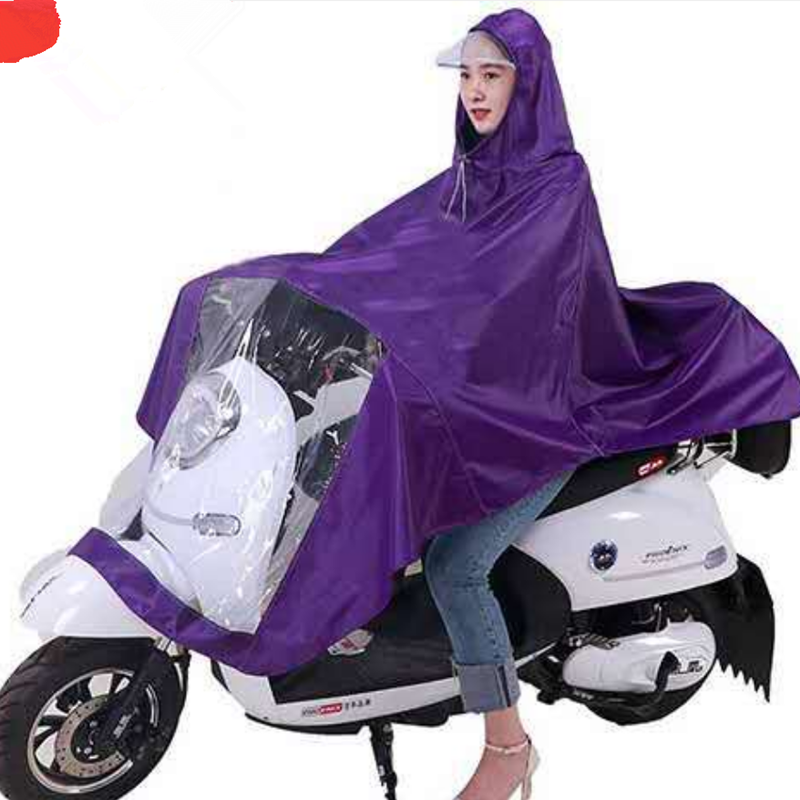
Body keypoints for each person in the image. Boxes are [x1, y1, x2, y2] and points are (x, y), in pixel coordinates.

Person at [424, 28, 577, 800]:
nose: (475, 90)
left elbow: (529, 314)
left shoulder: (556, 183)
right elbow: (418, 275)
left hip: (545, 422)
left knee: (455, 566)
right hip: (478, 414)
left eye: (494, 75)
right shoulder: (468, 181)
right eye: (466, 76)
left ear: (530, 83)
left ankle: (508, 747)